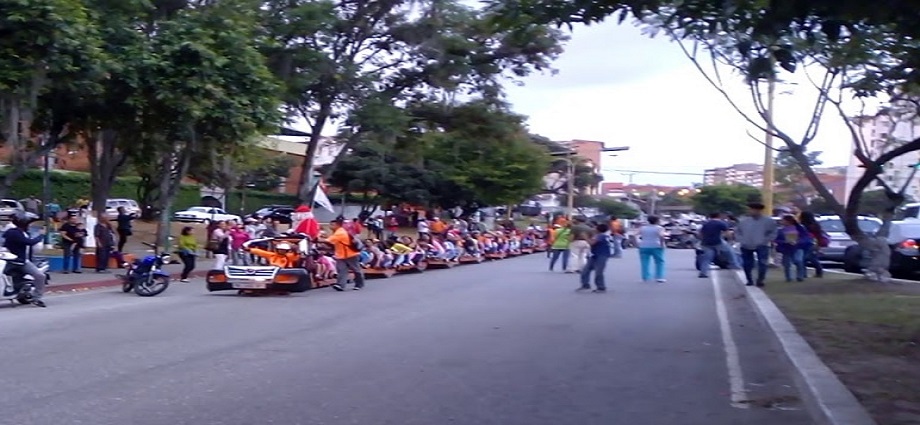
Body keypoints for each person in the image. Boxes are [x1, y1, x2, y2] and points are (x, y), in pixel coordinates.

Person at [2, 214, 47, 307]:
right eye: (28, 224)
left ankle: (36, 297)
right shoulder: (14, 232)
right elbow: (28, 242)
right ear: (24, 224)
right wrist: (41, 236)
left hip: (22, 261)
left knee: (40, 276)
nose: (30, 226)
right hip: (10, 260)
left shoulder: (23, 232)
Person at [735, 202, 778, 287]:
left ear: (759, 210)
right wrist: (741, 240)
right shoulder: (744, 221)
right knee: (747, 264)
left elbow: (773, 232)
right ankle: (749, 280)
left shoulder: (768, 221)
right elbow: (737, 232)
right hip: (746, 245)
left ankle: (760, 280)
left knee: (762, 263)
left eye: (752, 210)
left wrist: (765, 240)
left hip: (762, 245)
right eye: (749, 209)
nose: (750, 211)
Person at [325, 216, 365, 291]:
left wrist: (317, 240)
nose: (330, 227)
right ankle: (340, 285)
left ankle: (359, 284)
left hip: (351, 254)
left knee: (356, 270)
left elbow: (329, 241)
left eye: (332, 225)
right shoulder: (336, 232)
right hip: (341, 255)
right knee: (341, 269)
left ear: (338, 225)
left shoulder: (340, 232)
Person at [578, 223, 615, 293]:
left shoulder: (600, 236)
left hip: (601, 255)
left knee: (599, 271)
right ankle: (585, 284)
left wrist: (585, 237)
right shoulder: (601, 236)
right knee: (585, 270)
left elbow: (592, 243)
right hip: (594, 255)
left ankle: (601, 287)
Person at [775, 215, 813, 282]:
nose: (782, 222)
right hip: (786, 248)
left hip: (798, 247)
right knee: (787, 264)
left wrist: (798, 241)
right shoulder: (781, 230)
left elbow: (806, 238)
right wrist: (784, 242)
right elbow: (777, 239)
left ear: (788, 221)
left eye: (783, 220)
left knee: (798, 261)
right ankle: (788, 277)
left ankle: (800, 276)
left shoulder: (800, 228)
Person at [697, 212, 730, 278]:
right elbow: (727, 233)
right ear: (719, 216)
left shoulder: (706, 223)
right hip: (717, 242)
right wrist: (729, 239)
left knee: (707, 258)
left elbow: (700, 234)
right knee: (730, 252)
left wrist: (703, 240)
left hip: (705, 243)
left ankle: (703, 273)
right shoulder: (720, 223)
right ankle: (736, 266)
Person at [637, 216, 667, 283]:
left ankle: (645, 277)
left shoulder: (643, 228)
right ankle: (659, 277)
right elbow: (661, 236)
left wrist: (637, 244)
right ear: (657, 221)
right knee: (659, 262)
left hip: (644, 246)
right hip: (656, 246)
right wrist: (662, 244)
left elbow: (634, 235)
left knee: (644, 262)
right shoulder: (659, 228)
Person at [799, 211, 826, 278]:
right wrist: (819, 245)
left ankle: (803, 273)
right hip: (814, 243)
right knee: (813, 258)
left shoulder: (803, 225)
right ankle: (819, 272)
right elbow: (819, 235)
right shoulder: (816, 225)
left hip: (805, 243)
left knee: (804, 259)